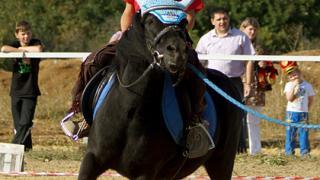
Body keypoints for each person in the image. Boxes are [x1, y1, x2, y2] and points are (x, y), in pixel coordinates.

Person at [61, 0, 206, 140]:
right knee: (94, 60)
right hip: (138, 38)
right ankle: (83, 114)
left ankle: (194, 122)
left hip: (173, 41)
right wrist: (127, 36)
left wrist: (176, 36)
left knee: (195, 72)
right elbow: (128, 12)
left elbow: (189, 17)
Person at [196, 8, 256, 153]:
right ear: (212, 21)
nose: (222, 22)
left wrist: (248, 83)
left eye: (225, 19)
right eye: (219, 19)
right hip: (212, 82)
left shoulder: (240, 37)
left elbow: (249, 60)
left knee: (238, 115)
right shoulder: (205, 39)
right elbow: (199, 62)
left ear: (229, 19)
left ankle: (239, 147)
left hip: (234, 81)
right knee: (212, 112)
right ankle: (213, 146)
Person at [0, 20, 44, 151]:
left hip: (30, 91)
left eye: (28, 33)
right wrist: (19, 50)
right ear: (17, 35)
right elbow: (4, 49)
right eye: (23, 34)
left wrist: (21, 50)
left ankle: (12, 148)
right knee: (18, 124)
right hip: (16, 91)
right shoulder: (13, 44)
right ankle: (27, 149)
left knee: (25, 122)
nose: (26, 37)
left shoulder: (35, 42)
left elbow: (38, 49)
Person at [240, 17, 278, 155]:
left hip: (256, 86)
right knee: (237, 118)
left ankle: (255, 150)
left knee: (253, 119)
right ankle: (239, 149)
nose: (253, 31)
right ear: (243, 29)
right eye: (250, 28)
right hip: (237, 83)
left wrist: (265, 65)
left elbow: (269, 68)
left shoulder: (259, 48)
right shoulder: (236, 44)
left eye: (255, 29)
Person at [282, 63, 315, 156]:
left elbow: (311, 98)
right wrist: (294, 86)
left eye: (295, 74)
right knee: (290, 133)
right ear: (289, 77)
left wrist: (307, 109)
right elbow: (289, 98)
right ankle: (289, 152)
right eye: (291, 75)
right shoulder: (288, 85)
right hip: (291, 113)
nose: (293, 76)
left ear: (300, 74)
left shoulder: (307, 86)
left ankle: (304, 152)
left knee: (303, 133)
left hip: (303, 113)